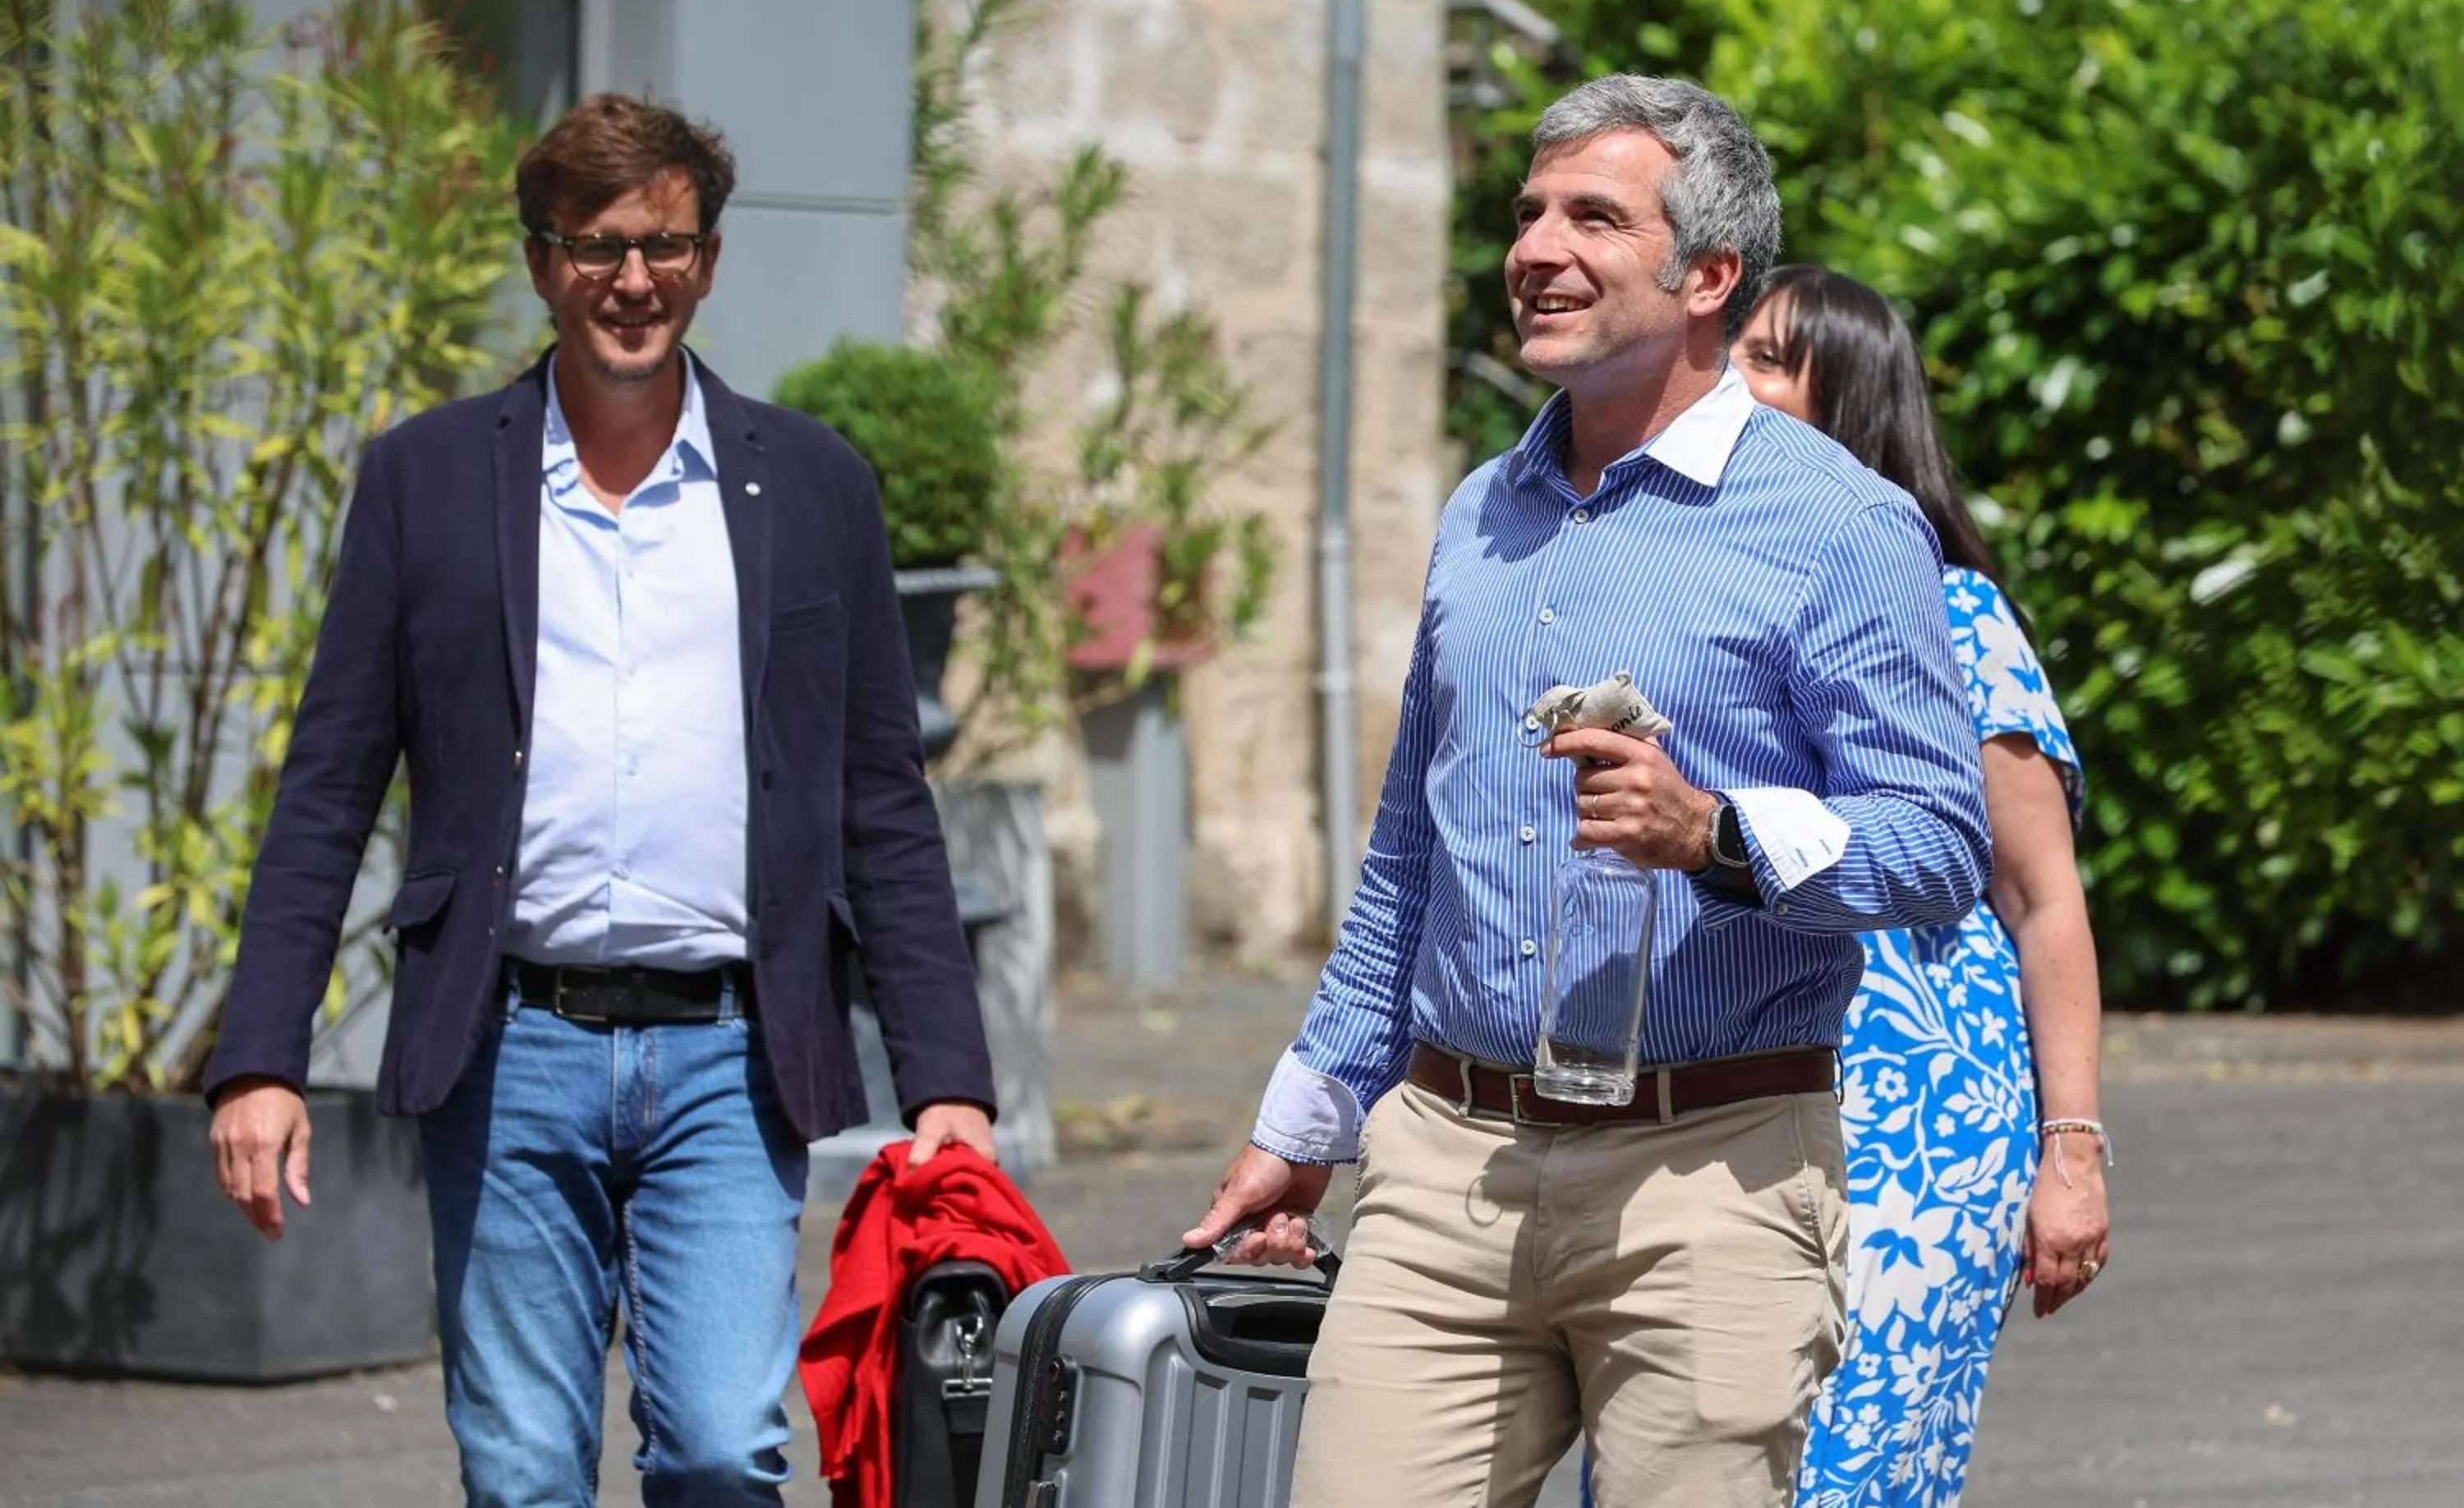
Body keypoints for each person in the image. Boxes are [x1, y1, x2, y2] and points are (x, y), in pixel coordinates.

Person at [1183, 75, 1993, 1508]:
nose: (1536, 247)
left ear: (1711, 274)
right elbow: (1403, 862)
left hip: (1715, 1173)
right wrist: (1302, 1127)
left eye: (1592, 216)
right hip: (1445, 1169)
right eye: (1528, 212)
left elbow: (1937, 845)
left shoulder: (1841, 525)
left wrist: (1717, 833)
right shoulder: (1480, 511)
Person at [204, 93, 998, 1507]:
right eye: (597, 247)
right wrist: (260, 1055)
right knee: (520, 1470)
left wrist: (947, 1080)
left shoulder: (812, 485)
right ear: (540, 261)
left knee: (717, 1449)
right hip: (511, 1044)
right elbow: (330, 782)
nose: (634, 280)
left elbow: (884, 798)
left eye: (667, 246)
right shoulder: (426, 481)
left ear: (707, 260)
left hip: (730, 1052)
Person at [1731, 264, 2111, 1508]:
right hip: (1730, 1102)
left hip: (1922, 1134)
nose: (1733, 376)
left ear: (1852, 406)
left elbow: (2041, 895)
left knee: (1847, 1474)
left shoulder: (1954, 613)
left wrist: (2073, 1152)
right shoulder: (1711, 593)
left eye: (1773, 361)